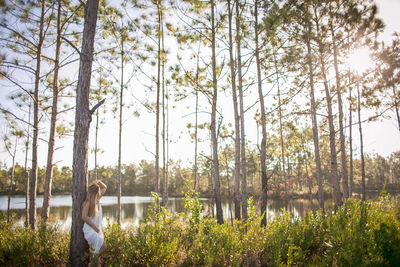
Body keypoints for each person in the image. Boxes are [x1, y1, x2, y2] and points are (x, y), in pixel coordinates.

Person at [82, 180, 107, 266]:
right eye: (98, 192)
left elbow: (104, 187)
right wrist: (94, 228)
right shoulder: (88, 203)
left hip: (97, 229)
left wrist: (98, 181)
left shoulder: (97, 200)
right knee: (103, 246)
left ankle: (95, 264)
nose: (100, 193)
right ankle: (91, 263)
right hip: (90, 230)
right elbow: (84, 217)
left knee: (98, 253)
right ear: (96, 193)